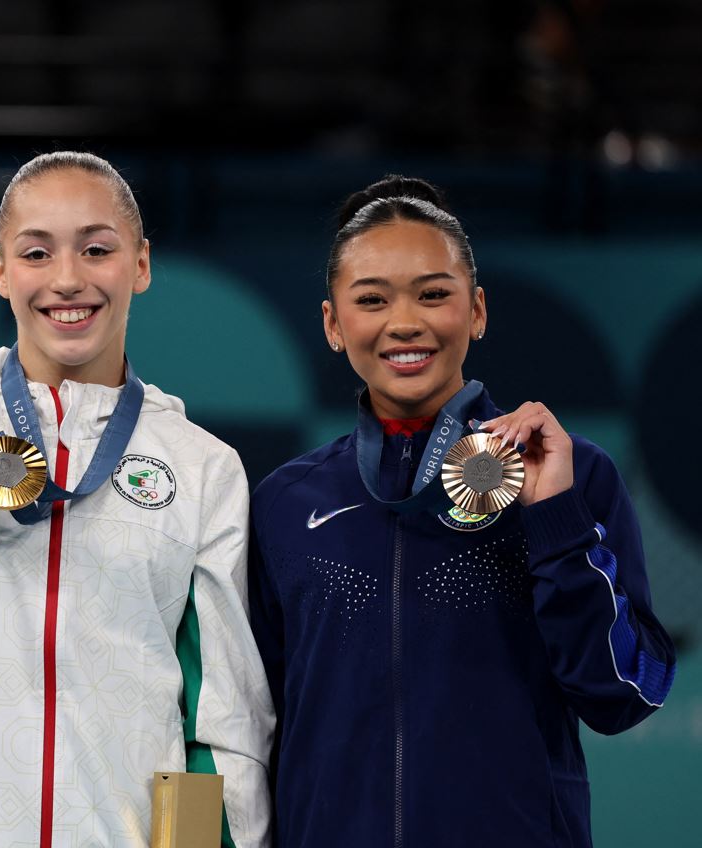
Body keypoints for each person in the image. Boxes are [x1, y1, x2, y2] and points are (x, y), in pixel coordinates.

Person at [0, 151, 272, 846]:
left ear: (142, 265)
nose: (69, 279)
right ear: (1, 269)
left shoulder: (202, 466)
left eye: (97, 249)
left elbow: (226, 719)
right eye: (37, 253)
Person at [248, 175, 676, 847]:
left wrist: (556, 521)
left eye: (433, 294)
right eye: (371, 299)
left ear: (475, 311)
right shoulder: (284, 501)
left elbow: (626, 693)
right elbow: (258, 719)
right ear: (334, 324)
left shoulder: (570, 470)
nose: (406, 322)